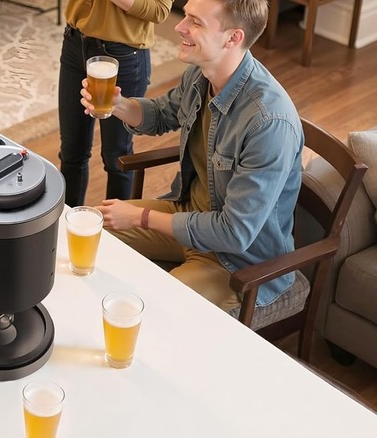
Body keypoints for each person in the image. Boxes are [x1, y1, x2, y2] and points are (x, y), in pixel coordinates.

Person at [81, 0, 304, 312]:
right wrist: (118, 105)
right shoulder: (201, 76)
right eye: (185, 15)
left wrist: (141, 217)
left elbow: (234, 233)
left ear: (233, 38)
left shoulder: (269, 123)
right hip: (187, 213)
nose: (178, 27)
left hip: (236, 261)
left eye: (195, 22)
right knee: (84, 226)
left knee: (153, 307)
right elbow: (162, 113)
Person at [58, 0, 173, 206]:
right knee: (71, 151)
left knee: (116, 157)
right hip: (75, 41)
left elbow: (160, 11)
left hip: (123, 54)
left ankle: (116, 234)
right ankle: (67, 225)